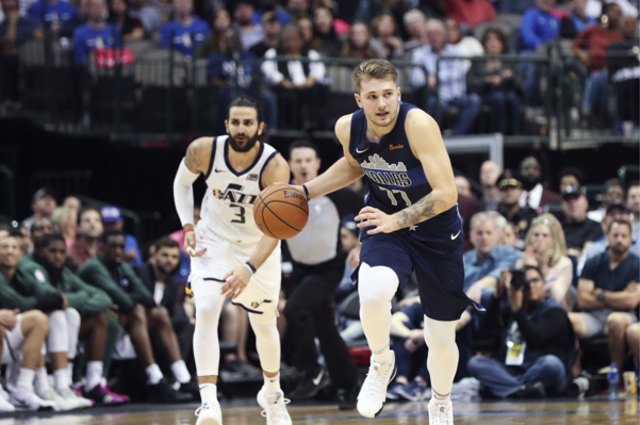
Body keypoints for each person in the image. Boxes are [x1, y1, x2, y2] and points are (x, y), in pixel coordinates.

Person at [296, 59, 480, 424]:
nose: (382, 104)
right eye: (372, 96)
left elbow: (446, 194)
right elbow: (353, 165)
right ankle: (382, 362)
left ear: (399, 94)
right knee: (374, 291)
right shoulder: (348, 127)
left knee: (441, 335)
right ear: (358, 99)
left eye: (388, 95)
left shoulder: (419, 125)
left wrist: (395, 219)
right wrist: (304, 191)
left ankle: (440, 403)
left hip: (436, 231)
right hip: (386, 222)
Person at [172, 96, 292, 425]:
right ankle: (209, 403)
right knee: (207, 306)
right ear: (226, 124)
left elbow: (279, 228)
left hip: (259, 246)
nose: (241, 129)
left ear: (260, 127)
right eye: (235, 122)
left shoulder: (275, 165)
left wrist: (250, 267)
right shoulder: (203, 150)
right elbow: (182, 184)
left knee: (265, 324)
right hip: (215, 241)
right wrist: (187, 225)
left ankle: (272, 393)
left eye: (248, 123)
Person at [283, 140, 360, 409]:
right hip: (299, 268)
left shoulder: (336, 193)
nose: (303, 165)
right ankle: (349, 386)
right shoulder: (281, 195)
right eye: (298, 161)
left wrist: (362, 244)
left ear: (317, 164)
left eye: (308, 160)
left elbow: (371, 208)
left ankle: (311, 371)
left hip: (328, 268)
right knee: (326, 329)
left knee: (294, 311)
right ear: (290, 165)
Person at [468, 265, 574, 399]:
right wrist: (497, 297)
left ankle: (507, 388)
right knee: (476, 362)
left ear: (544, 284)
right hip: (511, 370)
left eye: (535, 281)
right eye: (526, 282)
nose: (531, 286)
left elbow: (534, 338)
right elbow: (486, 331)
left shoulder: (554, 312)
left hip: (538, 370)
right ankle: (521, 390)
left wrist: (518, 310)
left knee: (552, 364)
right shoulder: (511, 308)